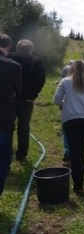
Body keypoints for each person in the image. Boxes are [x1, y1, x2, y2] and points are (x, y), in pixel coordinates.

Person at [53, 60, 84, 195]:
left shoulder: (65, 81)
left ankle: (78, 186)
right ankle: (79, 177)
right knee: (81, 148)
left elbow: (56, 99)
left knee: (75, 152)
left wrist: (65, 104)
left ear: (72, 68)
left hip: (71, 120)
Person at [8, 39, 46, 161]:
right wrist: (33, 95)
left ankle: (6, 152)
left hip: (9, 98)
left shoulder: (9, 56)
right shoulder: (36, 61)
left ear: (18, 47)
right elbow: (41, 79)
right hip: (26, 100)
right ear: (31, 49)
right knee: (23, 127)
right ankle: (21, 154)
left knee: (6, 125)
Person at [0, 33, 22, 196]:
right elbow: (18, 91)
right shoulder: (13, 66)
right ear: (8, 47)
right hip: (4, 117)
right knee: (3, 155)